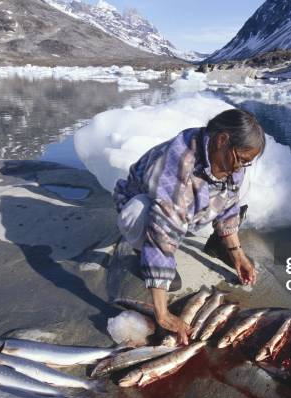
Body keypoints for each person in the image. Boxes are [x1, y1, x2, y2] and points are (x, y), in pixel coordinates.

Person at [113, 108, 265, 345]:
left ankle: (218, 245)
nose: (240, 168)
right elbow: (162, 230)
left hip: (185, 212)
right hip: (145, 209)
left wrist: (238, 255)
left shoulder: (229, 161)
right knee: (141, 212)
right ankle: (140, 250)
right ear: (222, 140)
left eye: (247, 162)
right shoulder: (177, 165)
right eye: (241, 159)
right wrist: (162, 313)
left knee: (237, 191)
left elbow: (229, 206)